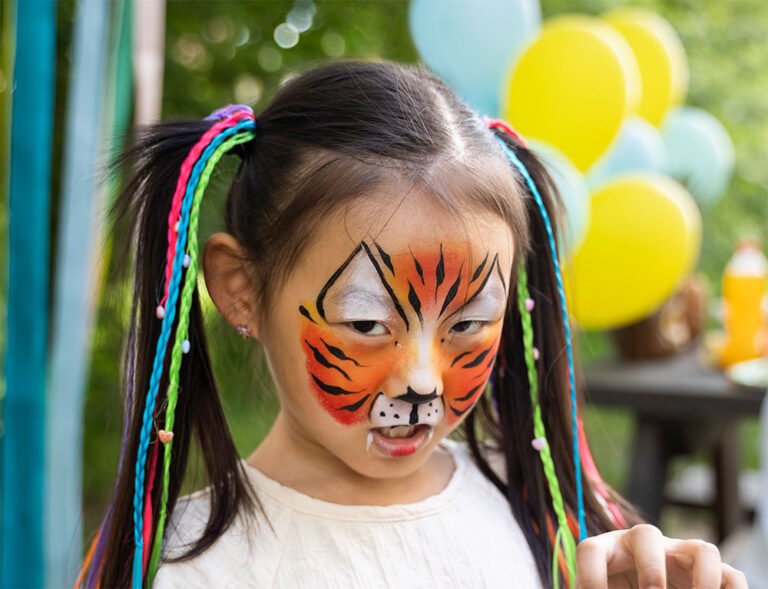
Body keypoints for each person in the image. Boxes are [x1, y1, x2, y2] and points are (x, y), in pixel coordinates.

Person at [77, 60, 747, 589]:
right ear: (241, 288)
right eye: (368, 322)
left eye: (470, 323)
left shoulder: (538, 516)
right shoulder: (193, 570)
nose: (423, 380)